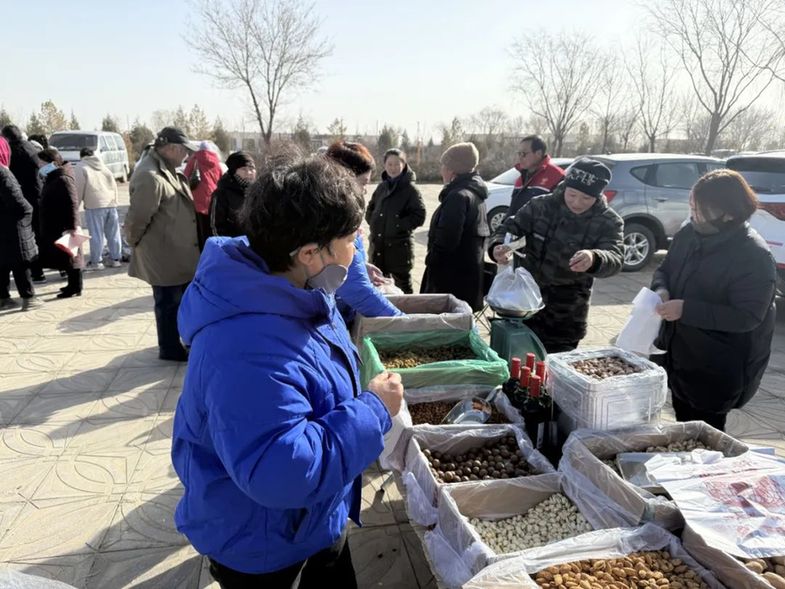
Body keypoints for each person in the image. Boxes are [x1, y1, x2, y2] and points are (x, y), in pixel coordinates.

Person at [171, 154, 404, 588]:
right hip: (266, 544)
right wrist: (374, 410)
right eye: (351, 240)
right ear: (310, 253)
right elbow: (283, 472)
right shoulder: (245, 346)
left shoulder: (297, 290)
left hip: (311, 521)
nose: (355, 252)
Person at [652, 170, 776, 431]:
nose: (693, 214)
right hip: (679, 357)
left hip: (715, 369)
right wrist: (662, 289)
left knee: (705, 442)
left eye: (700, 209)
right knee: (682, 429)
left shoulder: (753, 255)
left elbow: (748, 317)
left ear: (728, 213)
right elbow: (665, 269)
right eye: (692, 207)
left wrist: (686, 309)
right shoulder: (689, 234)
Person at [493, 158, 624, 352]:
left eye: (586, 198)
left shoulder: (609, 221)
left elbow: (616, 257)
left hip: (567, 315)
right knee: (516, 365)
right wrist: (498, 246)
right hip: (524, 304)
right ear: (565, 187)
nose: (577, 203)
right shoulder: (540, 206)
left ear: (598, 196)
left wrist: (594, 258)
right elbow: (509, 228)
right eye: (572, 195)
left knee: (555, 373)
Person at [124, 127, 200, 362]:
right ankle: (169, 348)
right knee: (167, 303)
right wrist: (134, 243)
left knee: (177, 302)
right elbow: (137, 218)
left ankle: (176, 342)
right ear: (171, 149)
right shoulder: (150, 175)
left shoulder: (165, 169)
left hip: (174, 252)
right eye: (185, 150)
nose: (187, 155)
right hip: (163, 254)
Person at [324, 141, 402, 324]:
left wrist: (361, 266)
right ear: (344, 180)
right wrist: (408, 324)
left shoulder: (335, 212)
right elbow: (358, 292)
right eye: (363, 183)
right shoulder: (334, 222)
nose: (365, 191)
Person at [421, 142, 490, 311]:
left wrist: (431, 262)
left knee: (445, 333)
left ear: (452, 170)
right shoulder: (474, 194)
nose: (441, 170)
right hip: (467, 282)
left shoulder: (458, 197)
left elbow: (447, 241)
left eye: (443, 165)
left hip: (451, 282)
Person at [365, 148, 426, 294]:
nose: (393, 168)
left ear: (404, 165)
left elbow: (419, 215)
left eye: (397, 164)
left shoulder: (411, 189)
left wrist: (398, 225)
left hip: (399, 250)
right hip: (378, 247)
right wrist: (373, 221)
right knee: (379, 287)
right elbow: (371, 208)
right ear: (384, 165)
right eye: (390, 164)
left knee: (403, 287)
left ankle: (409, 316)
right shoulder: (382, 187)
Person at [37, 148, 83, 298]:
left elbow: (72, 202)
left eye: (42, 163)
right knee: (67, 257)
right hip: (57, 224)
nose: (39, 166)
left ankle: (75, 286)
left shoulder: (62, 178)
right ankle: (73, 284)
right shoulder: (54, 176)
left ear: (52, 162)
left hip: (65, 225)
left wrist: (72, 226)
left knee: (71, 256)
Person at [1, 124, 45, 282]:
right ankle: (54, 268)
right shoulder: (31, 147)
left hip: (23, 198)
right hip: (38, 195)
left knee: (27, 238)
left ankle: (36, 271)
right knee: (40, 235)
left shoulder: (12, 152)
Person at [0, 137, 40, 310]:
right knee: (21, 262)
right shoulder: (3, 173)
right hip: (13, 226)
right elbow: (19, 203)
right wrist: (28, 212)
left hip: (3, 226)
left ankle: (3, 298)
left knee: (2, 263)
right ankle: (28, 298)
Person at [75, 147, 122, 270]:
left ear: (81, 156)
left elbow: (78, 188)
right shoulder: (104, 166)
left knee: (96, 235)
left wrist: (76, 205)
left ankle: (97, 262)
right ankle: (115, 259)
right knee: (113, 234)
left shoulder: (81, 167)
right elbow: (114, 185)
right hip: (111, 204)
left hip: (94, 204)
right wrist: (115, 202)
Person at [505, 134, 565, 223]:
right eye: (519, 153)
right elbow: (513, 210)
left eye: (524, 154)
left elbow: (561, 213)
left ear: (539, 153)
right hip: (519, 232)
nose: (520, 157)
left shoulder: (556, 176)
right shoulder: (520, 179)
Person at [184, 141, 223, 248]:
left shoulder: (194, 159)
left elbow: (185, 177)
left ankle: (201, 255)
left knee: (199, 232)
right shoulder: (217, 162)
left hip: (197, 201)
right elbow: (221, 180)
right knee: (211, 231)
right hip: (213, 200)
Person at [209, 150, 256, 237]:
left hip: (255, 246)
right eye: (244, 169)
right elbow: (215, 226)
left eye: (251, 169)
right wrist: (227, 247)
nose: (249, 173)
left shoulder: (257, 192)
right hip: (232, 246)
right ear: (233, 172)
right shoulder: (221, 194)